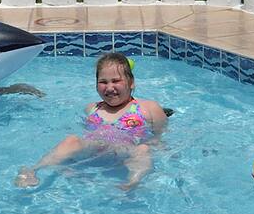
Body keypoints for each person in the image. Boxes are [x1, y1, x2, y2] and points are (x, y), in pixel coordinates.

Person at [16, 52, 168, 191]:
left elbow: (159, 139)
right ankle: (33, 170)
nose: (110, 87)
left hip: (126, 153)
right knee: (72, 140)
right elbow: (83, 132)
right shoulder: (92, 109)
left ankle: (131, 183)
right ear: (96, 84)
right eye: (103, 82)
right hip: (93, 152)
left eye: (116, 81)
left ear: (131, 82)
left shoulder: (148, 108)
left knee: (143, 149)